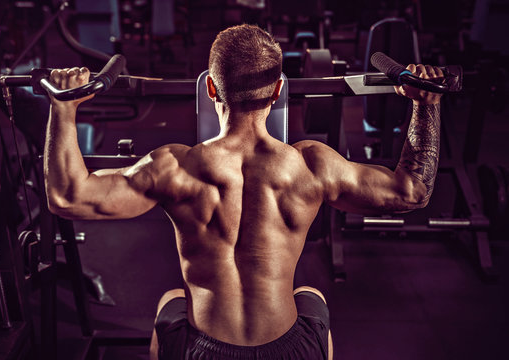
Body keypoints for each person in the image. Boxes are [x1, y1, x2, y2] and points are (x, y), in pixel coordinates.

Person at [44, 24, 442, 360]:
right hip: (289, 349)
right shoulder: (312, 166)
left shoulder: (174, 166)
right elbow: (412, 191)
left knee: (170, 302)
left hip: (202, 350)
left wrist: (63, 108)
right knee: (310, 295)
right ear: (277, 90)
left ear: (212, 90)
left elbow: (68, 197)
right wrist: (427, 105)